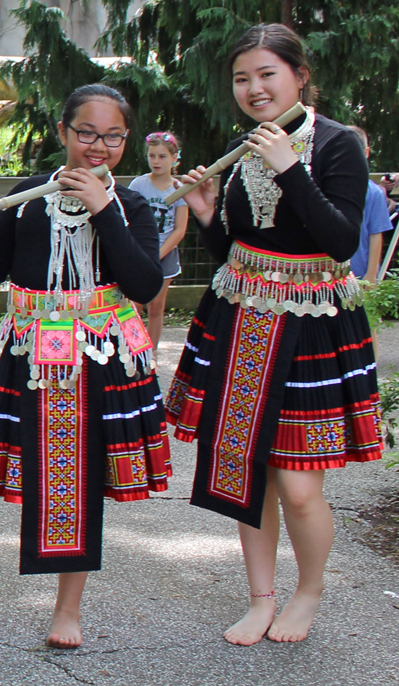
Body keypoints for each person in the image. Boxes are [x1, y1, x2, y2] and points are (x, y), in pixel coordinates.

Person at [165, 24, 382, 645]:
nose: (254, 88)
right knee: (246, 466)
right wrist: (207, 212)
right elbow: (241, 248)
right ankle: (260, 597)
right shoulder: (244, 146)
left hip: (312, 325)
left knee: (299, 482)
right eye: (242, 78)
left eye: (267, 74)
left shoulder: (335, 144)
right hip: (240, 320)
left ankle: (307, 593)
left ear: (299, 76)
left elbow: (341, 243)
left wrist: (289, 168)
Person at [0, 83, 171, 648]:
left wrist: (102, 208)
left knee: (80, 477)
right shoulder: (27, 195)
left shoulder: (134, 205)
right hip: (24, 351)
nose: (98, 146)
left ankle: (66, 609)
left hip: (97, 353)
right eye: (86, 133)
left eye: (113, 136)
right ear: (64, 132)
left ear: (126, 140)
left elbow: (144, 283)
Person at [128, 132, 189, 350]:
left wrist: (158, 253)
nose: (156, 161)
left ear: (174, 158)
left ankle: (151, 354)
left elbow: (180, 229)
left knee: (156, 306)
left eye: (162, 156)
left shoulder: (181, 189)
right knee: (134, 304)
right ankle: (132, 349)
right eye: (152, 156)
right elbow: (129, 220)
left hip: (165, 254)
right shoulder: (138, 185)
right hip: (140, 252)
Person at [346, 126, 392, 284]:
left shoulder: (373, 192)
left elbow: (376, 234)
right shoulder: (325, 187)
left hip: (359, 275)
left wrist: (371, 276)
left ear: (366, 153)